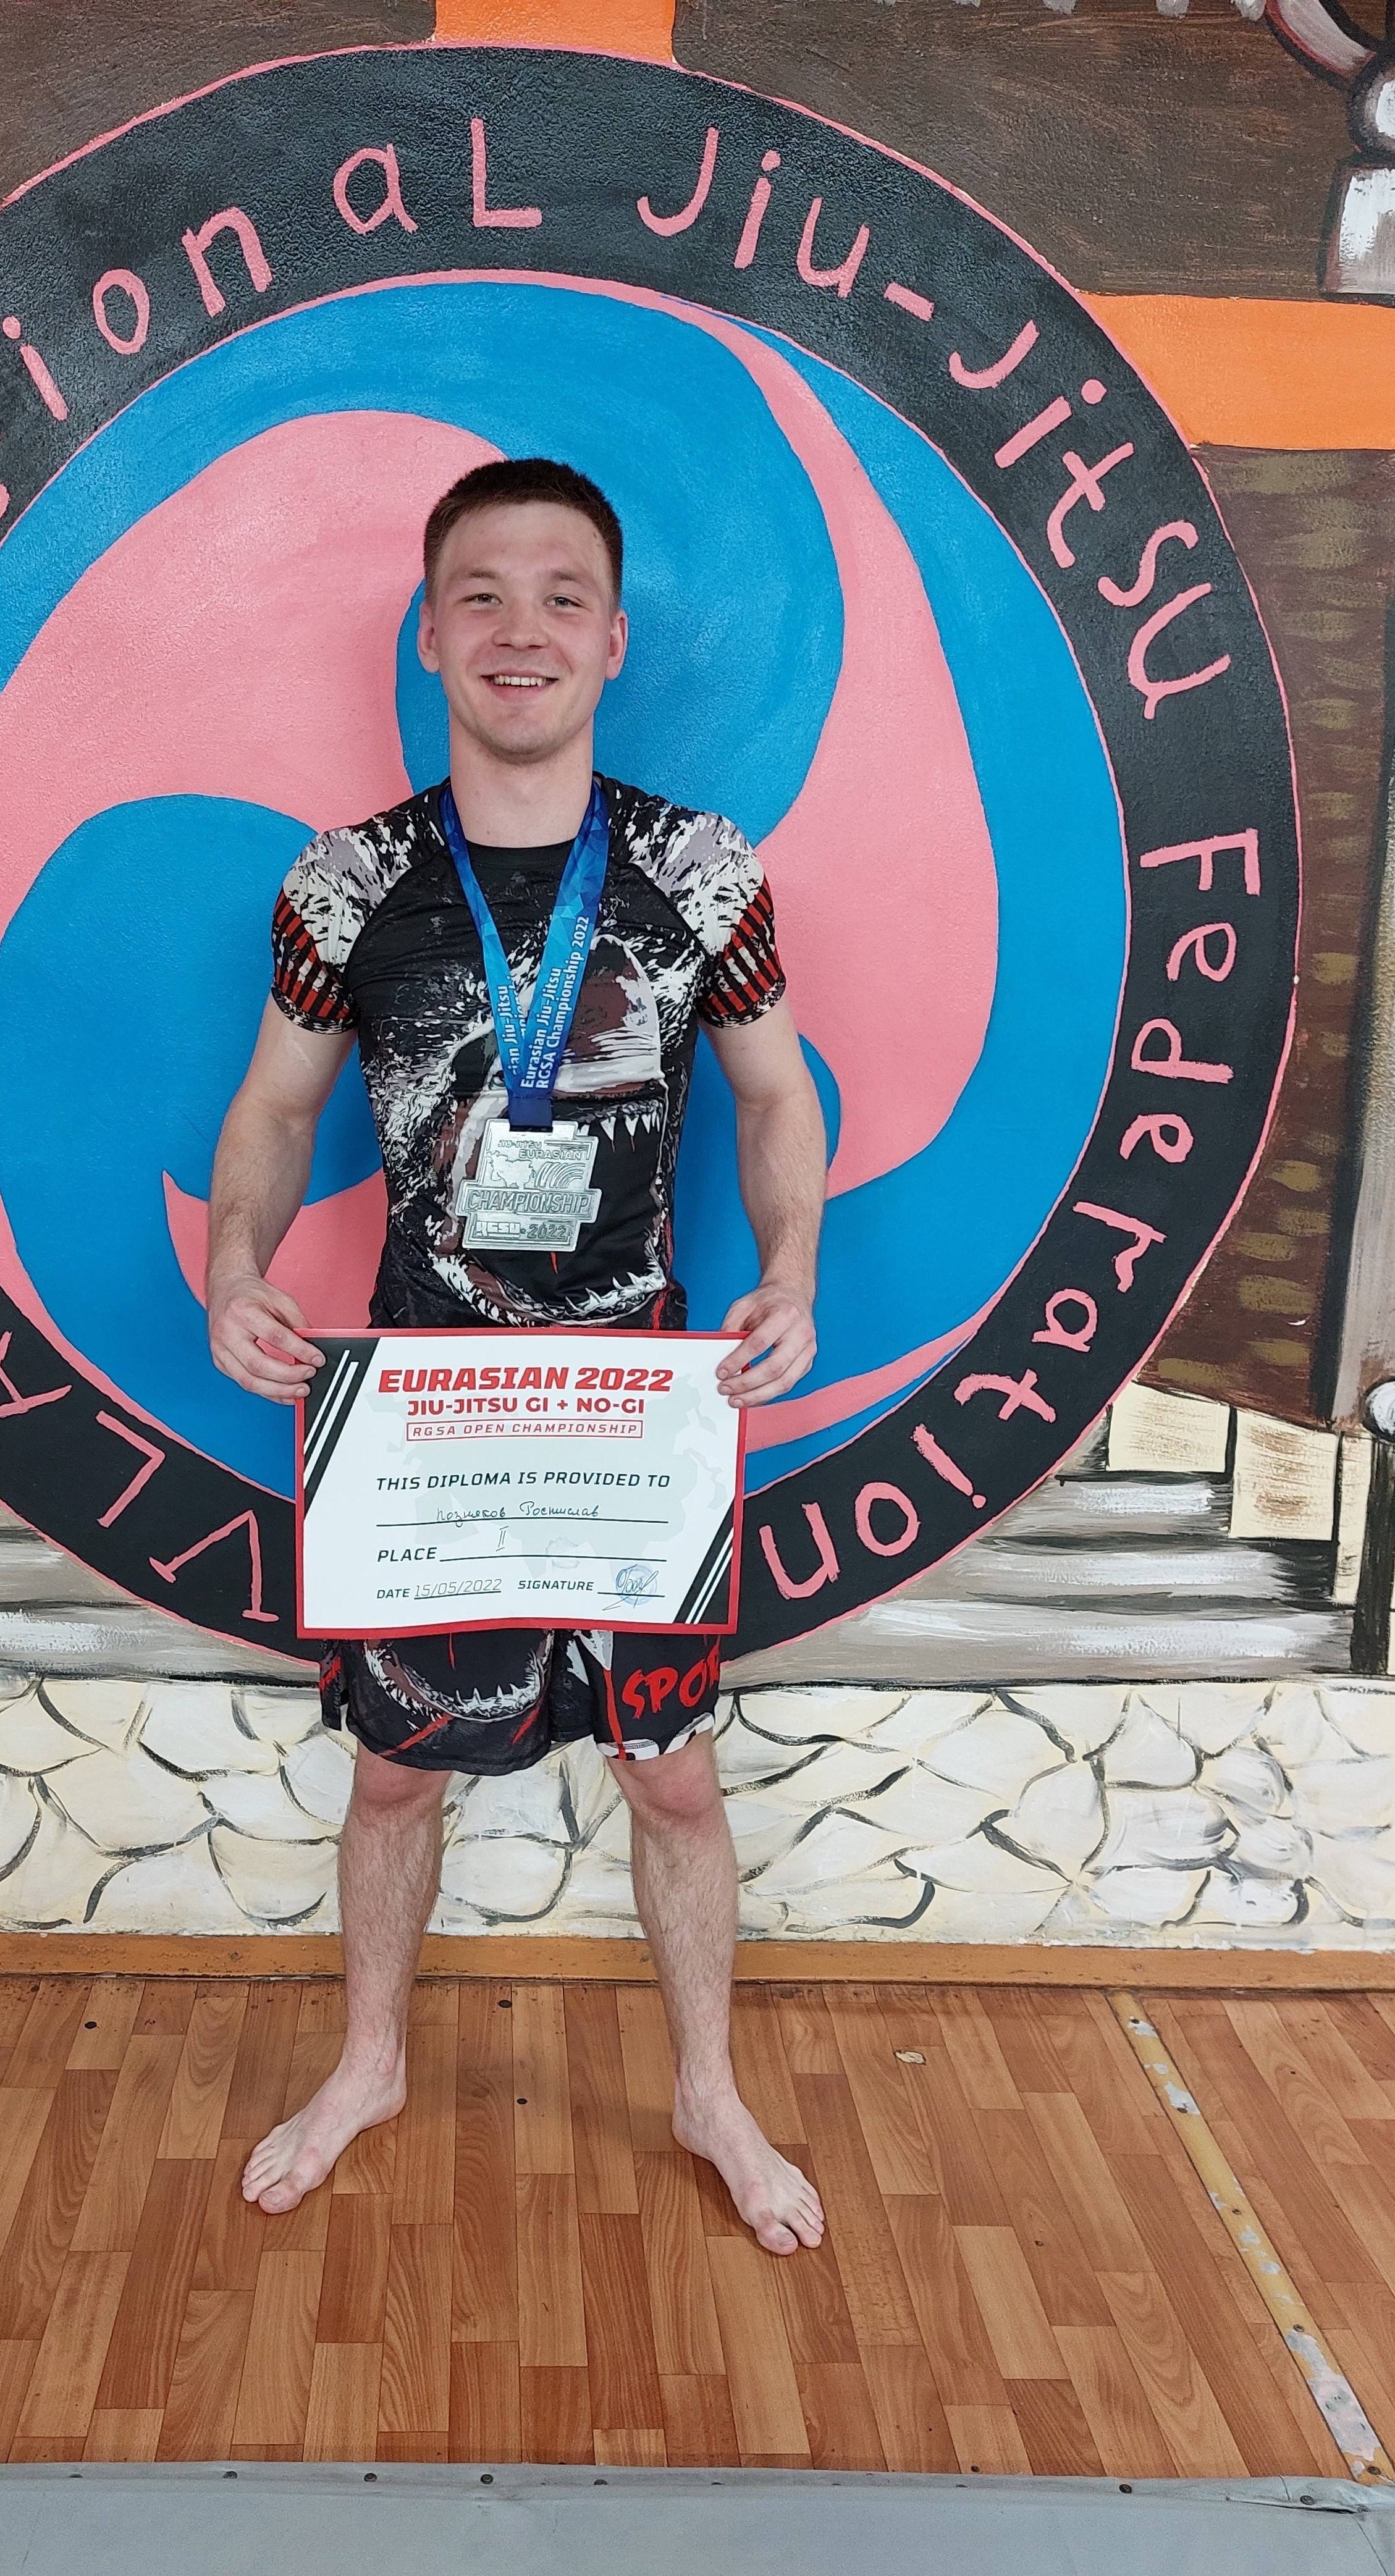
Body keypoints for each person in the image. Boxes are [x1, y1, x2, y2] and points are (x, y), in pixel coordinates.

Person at [206, 457, 828, 2254]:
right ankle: (371, 2061)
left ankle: (707, 2089)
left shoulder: (700, 873)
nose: (520, 629)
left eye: (563, 596)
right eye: (479, 593)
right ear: (428, 632)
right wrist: (234, 1264)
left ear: (615, 640)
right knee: (394, 1768)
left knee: (673, 1772)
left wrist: (792, 1269)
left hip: (638, 1398)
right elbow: (272, 1109)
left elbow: (776, 1096)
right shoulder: (348, 886)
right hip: (427, 1403)